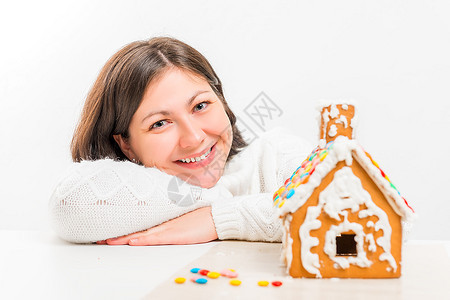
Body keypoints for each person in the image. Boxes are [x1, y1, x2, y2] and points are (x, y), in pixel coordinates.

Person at [48, 36, 312, 246]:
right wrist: (213, 197)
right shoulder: (125, 192)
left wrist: (216, 219)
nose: (194, 137)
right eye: (160, 123)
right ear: (125, 144)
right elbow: (70, 204)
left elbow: (333, 209)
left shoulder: (276, 152)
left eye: (200, 105)